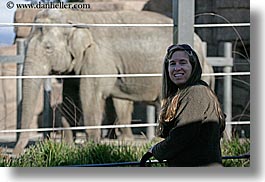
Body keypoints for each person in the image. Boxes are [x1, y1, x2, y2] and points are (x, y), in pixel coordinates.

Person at [140, 44, 226, 167]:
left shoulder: (196, 92)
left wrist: (155, 150)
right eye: (172, 64)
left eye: (183, 62)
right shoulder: (184, 93)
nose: (177, 68)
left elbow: (182, 136)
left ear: (193, 66)